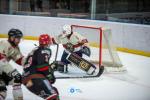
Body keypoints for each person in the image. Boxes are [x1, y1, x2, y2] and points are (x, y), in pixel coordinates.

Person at [22, 34, 59, 100]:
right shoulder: (45, 50)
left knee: (54, 91)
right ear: (47, 42)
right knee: (53, 97)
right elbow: (42, 66)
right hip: (35, 78)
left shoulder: (35, 49)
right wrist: (50, 76)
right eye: (49, 41)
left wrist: (50, 68)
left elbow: (37, 65)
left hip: (26, 79)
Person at [0, 29, 24, 100]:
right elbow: (0, 58)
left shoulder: (16, 48)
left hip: (2, 71)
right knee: (17, 77)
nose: (19, 40)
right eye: (17, 38)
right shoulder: (4, 43)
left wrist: (31, 60)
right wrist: (12, 71)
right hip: (2, 70)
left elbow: (19, 60)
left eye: (20, 38)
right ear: (12, 38)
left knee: (2, 93)